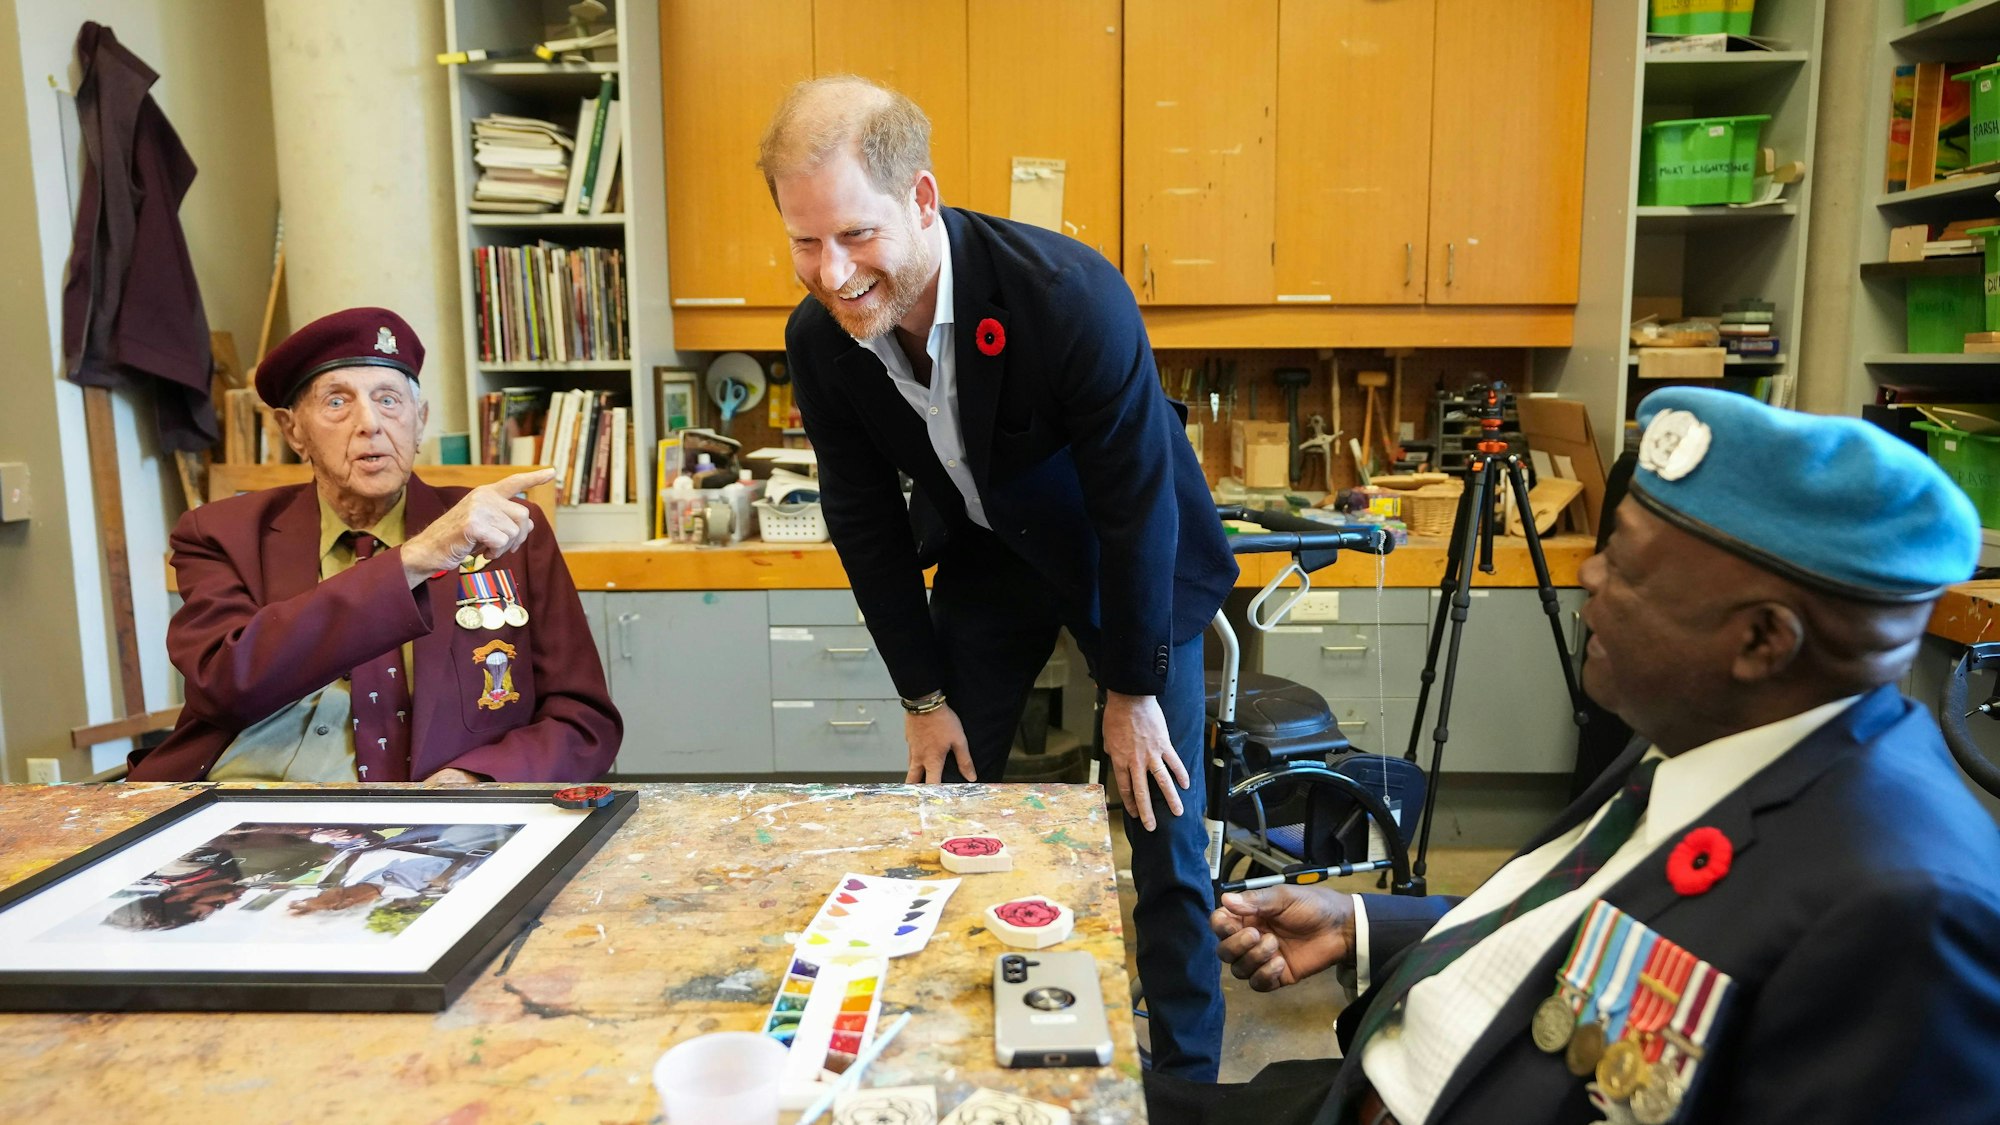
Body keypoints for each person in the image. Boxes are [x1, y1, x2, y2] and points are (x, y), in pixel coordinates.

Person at [1146, 386, 2000, 1124]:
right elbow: (1597, 917)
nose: (1587, 579)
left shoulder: (1908, 912)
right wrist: (1363, 923)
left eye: (1622, 566)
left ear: (1763, 639)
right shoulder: (1723, 732)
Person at [760, 76, 1238, 1078]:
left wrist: (1130, 688)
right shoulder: (821, 340)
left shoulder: (1066, 297)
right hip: (989, 556)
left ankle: (1186, 1083)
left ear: (921, 199)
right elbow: (863, 520)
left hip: (1126, 561)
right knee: (946, 801)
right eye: (804, 243)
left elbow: (1134, 509)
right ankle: (942, 1050)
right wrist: (921, 698)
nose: (830, 273)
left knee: (1161, 825)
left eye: (852, 235)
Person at [130, 307, 620, 783]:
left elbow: (583, 720)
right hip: (244, 795)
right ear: (293, 431)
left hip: (424, 817)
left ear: (419, 419)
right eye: (338, 402)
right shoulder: (222, 533)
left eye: (389, 399)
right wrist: (410, 561)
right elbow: (226, 684)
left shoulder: (506, 530)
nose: (370, 423)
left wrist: (478, 778)